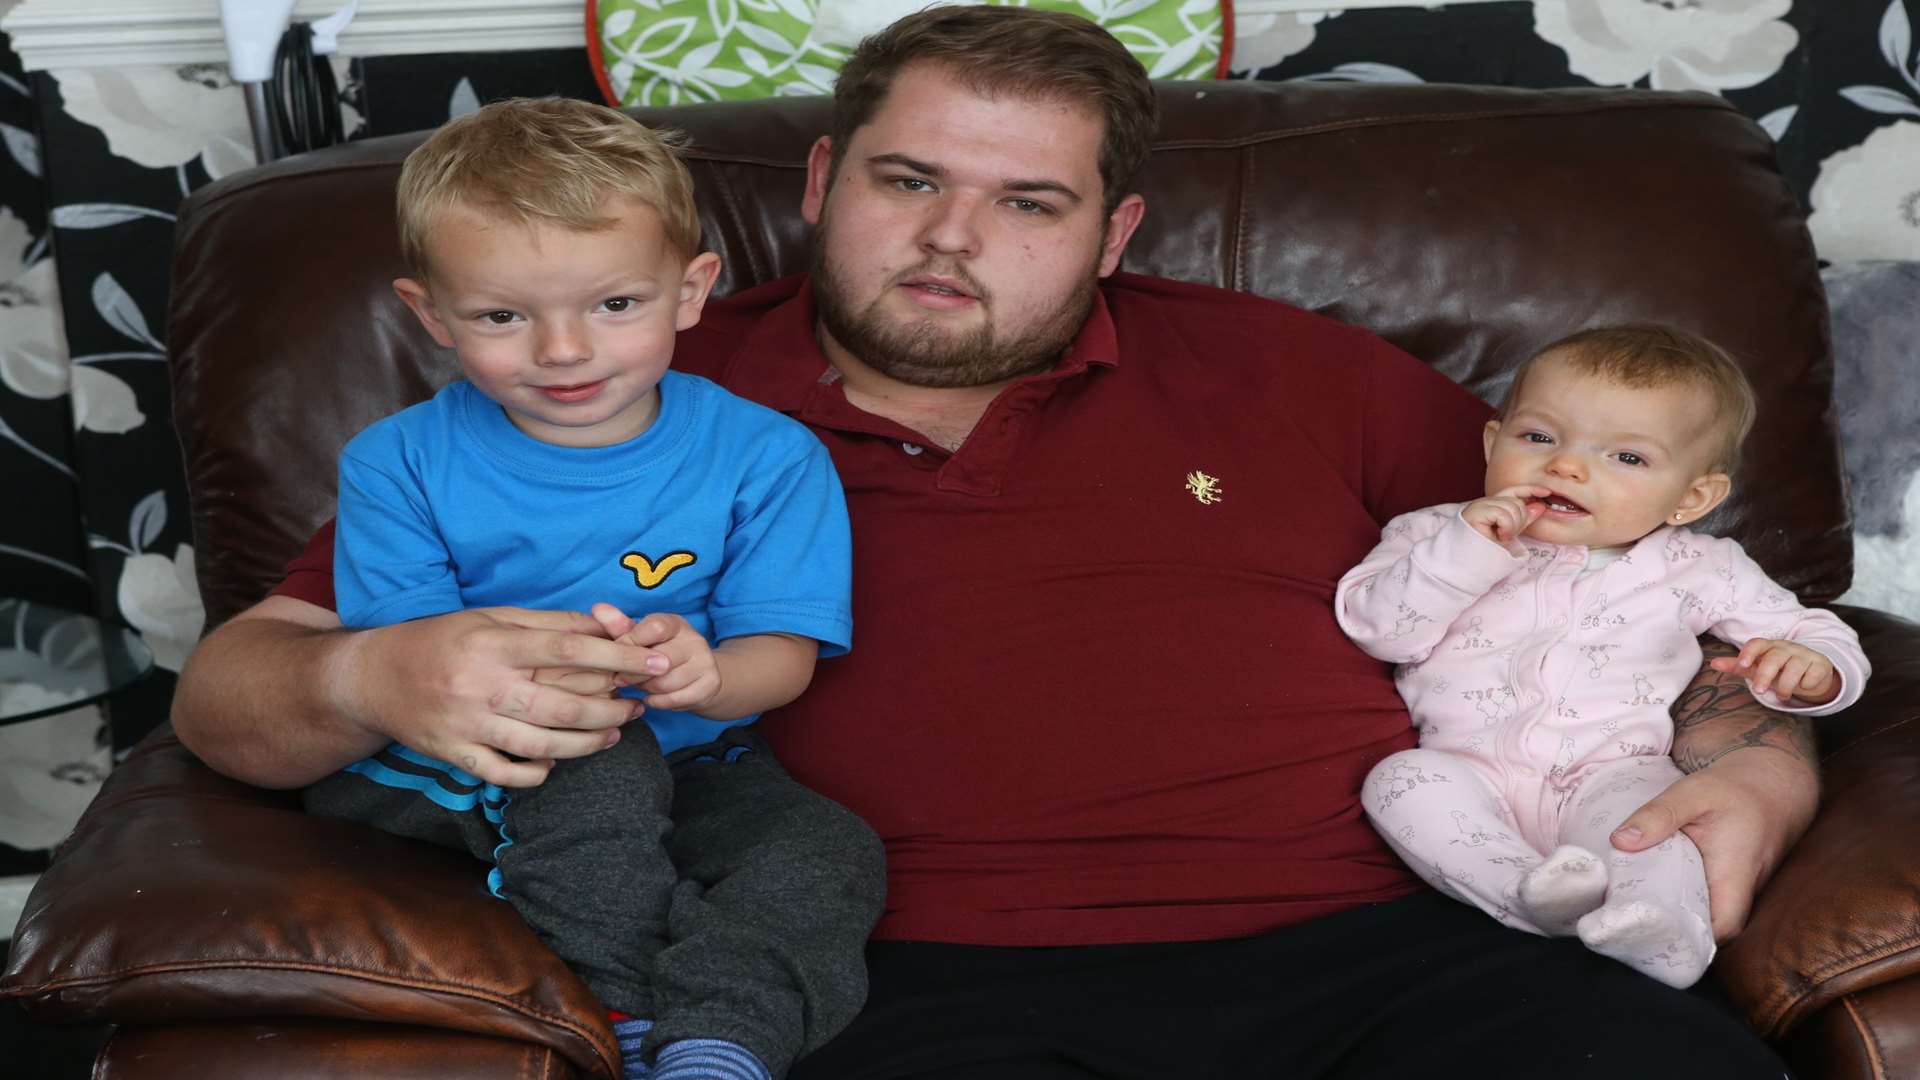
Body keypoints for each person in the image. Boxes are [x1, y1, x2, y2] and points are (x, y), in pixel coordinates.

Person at [173, 7, 1818, 1076]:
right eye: (907, 179)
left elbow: (1647, 582)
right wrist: (382, 672)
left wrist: (1755, 767)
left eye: (1028, 203)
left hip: (1409, 950)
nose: (954, 239)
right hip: (916, 997)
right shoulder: (605, 391)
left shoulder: (1297, 374)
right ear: (821, 180)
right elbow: (231, 696)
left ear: (1114, 233)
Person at [299, 97, 884, 1080]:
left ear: (690, 291)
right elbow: (415, 671)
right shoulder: (395, 464)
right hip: (469, 758)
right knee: (601, 765)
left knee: (827, 848)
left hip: (699, 756)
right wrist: (557, 686)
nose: (563, 350)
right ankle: (619, 1023)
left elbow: (778, 658)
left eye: (616, 304)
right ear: (429, 315)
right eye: (502, 316)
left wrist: (706, 676)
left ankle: (719, 1046)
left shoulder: (766, 458)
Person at [1335, 326, 1868, 990]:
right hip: (1466, 775)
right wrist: (1467, 549)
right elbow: (1378, 629)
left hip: (1610, 772)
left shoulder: (1700, 566)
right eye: (1538, 438)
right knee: (1397, 783)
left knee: (1653, 824)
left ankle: (1665, 932)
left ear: (1692, 499)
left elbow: (1818, 630)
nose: (1566, 467)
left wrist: (1813, 668)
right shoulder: (1435, 533)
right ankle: (1527, 893)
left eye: (1627, 457)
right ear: (1491, 443)